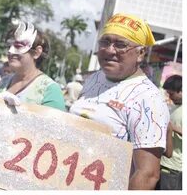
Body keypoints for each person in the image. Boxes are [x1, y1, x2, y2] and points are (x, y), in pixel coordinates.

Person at [69, 13, 170, 190]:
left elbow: (147, 174)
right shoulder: (95, 78)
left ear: (140, 53)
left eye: (121, 45)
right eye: (105, 42)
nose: (110, 50)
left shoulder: (148, 99)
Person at [0, 21, 66, 111]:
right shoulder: (4, 81)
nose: (10, 51)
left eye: (18, 46)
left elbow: (53, 124)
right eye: (8, 46)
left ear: (36, 53)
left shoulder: (50, 90)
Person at [156, 75, 182, 190]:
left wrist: (172, 127)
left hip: (173, 168)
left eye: (172, 94)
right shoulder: (173, 108)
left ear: (181, 91)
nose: (170, 97)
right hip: (164, 163)